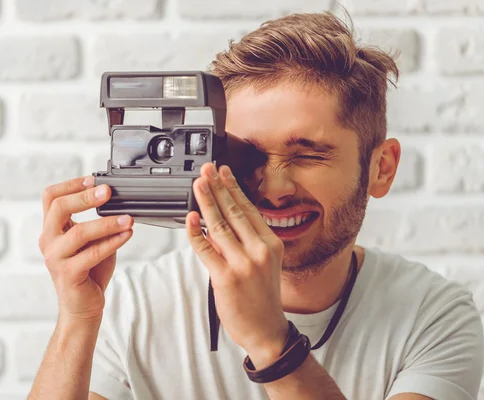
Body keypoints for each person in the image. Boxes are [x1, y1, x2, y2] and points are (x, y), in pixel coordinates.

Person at [28, 11, 484, 400]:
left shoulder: (433, 316)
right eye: (246, 156)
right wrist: (78, 318)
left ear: (381, 168)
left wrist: (271, 342)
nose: (274, 189)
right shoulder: (139, 304)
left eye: (307, 155)